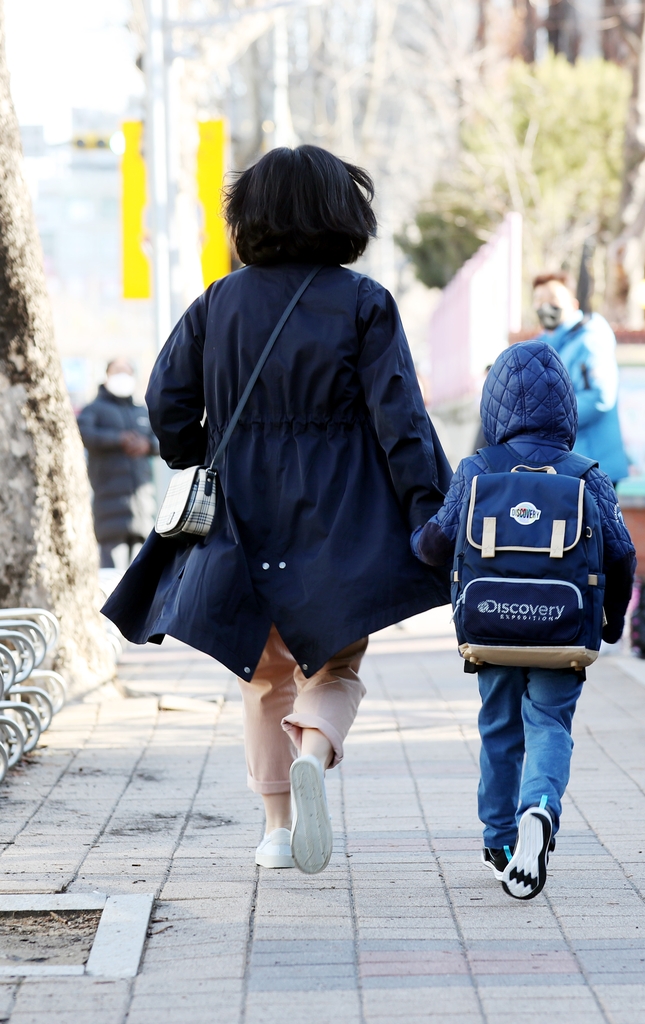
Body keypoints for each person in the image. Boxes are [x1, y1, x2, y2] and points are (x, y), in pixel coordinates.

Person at [102, 145, 452, 876]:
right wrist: (428, 514)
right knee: (336, 662)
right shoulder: (364, 304)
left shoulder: (217, 302)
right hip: (342, 511)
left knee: (264, 676)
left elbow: (166, 401)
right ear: (341, 214)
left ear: (249, 218)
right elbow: (403, 421)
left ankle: (275, 831)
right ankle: (315, 753)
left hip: (241, 511)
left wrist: (194, 451)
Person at [411, 340, 635, 899]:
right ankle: (540, 809)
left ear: (495, 407)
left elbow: (434, 545)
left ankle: (500, 840)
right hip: (563, 630)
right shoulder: (588, 475)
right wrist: (611, 621)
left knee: (499, 728)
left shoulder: (475, 469)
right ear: (566, 408)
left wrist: (415, 537)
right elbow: (622, 553)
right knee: (549, 725)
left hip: (493, 628)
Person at [532, 271, 629, 486]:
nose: (545, 306)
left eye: (553, 299)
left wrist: (545, 418)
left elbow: (598, 397)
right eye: (538, 300)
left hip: (592, 466)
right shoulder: (547, 344)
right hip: (567, 466)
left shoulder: (589, 340)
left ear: (574, 304)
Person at [77, 359, 159, 569]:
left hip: (143, 510)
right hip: (109, 512)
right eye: (117, 371)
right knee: (112, 576)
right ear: (106, 375)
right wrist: (118, 439)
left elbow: (162, 441)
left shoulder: (142, 411)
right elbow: (84, 435)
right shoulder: (94, 409)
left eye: (127, 371)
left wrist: (147, 445)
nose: (123, 376)